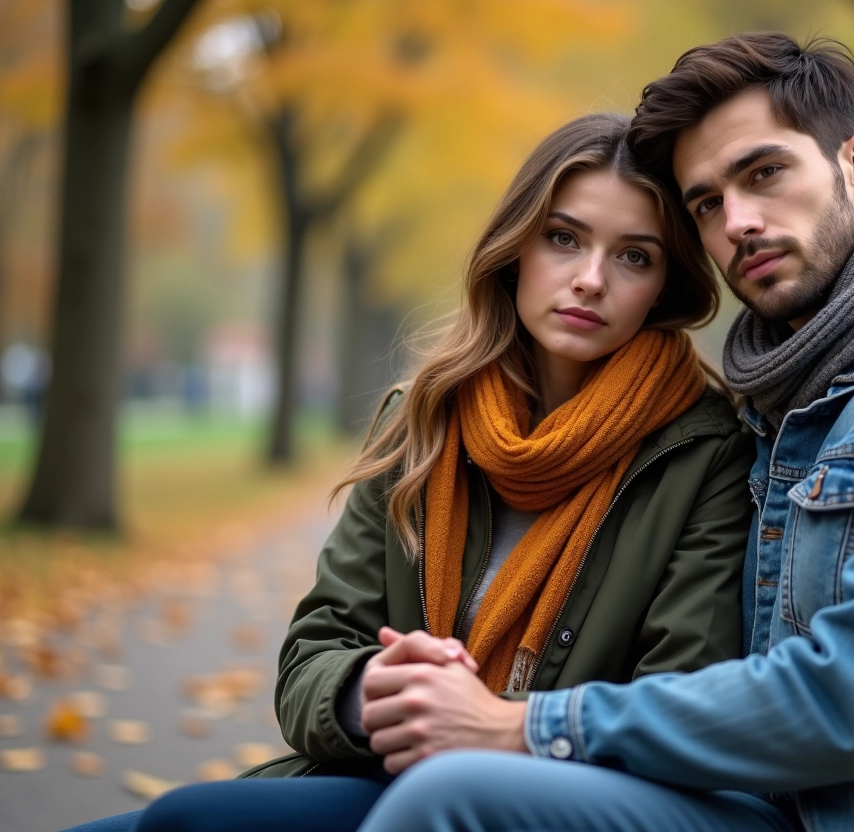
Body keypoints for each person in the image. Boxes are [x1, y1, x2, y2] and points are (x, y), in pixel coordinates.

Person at [310, 33, 854, 832]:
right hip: (743, 804)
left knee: (448, 798)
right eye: (707, 203)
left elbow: (852, 701)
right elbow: (323, 637)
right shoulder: (793, 391)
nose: (738, 221)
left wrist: (514, 725)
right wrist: (382, 692)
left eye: (764, 173)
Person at [62, 113, 754, 832]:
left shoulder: (703, 451)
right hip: (385, 773)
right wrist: (372, 690)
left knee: (188, 821)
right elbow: (313, 654)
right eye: (563, 238)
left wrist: (485, 720)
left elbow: (682, 698)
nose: (589, 279)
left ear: (665, 285)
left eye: (634, 257)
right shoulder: (424, 419)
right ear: (515, 250)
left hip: (557, 799)